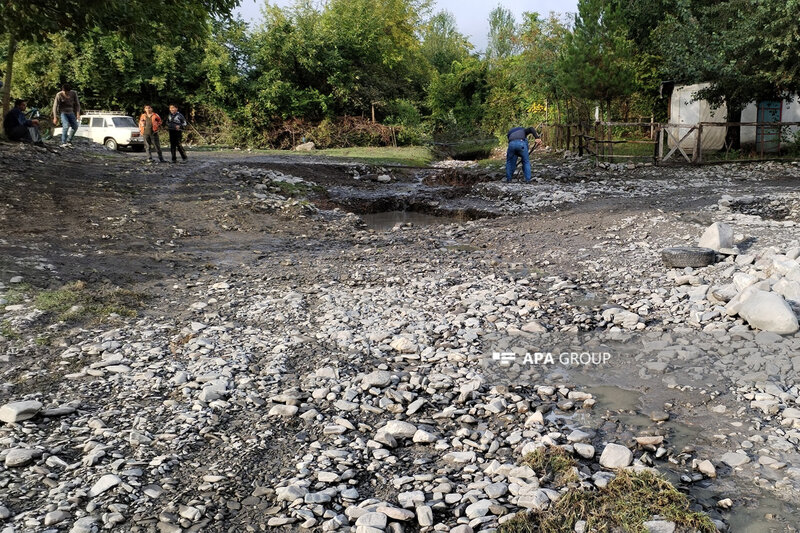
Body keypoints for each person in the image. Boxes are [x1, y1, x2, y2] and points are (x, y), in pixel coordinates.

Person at [52, 82, 81, 147]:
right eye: (65, 92)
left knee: (75, 126)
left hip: (71, 111)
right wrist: (55, 117)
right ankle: (63, 142)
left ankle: (69, 140)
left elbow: (77, 104)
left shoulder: (73, 93)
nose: (66, 93)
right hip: (63, 112)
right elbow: (55, 106)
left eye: (67, 92)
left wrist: (78, 114)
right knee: (66, 125)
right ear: (63, 90)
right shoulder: (59, 95)